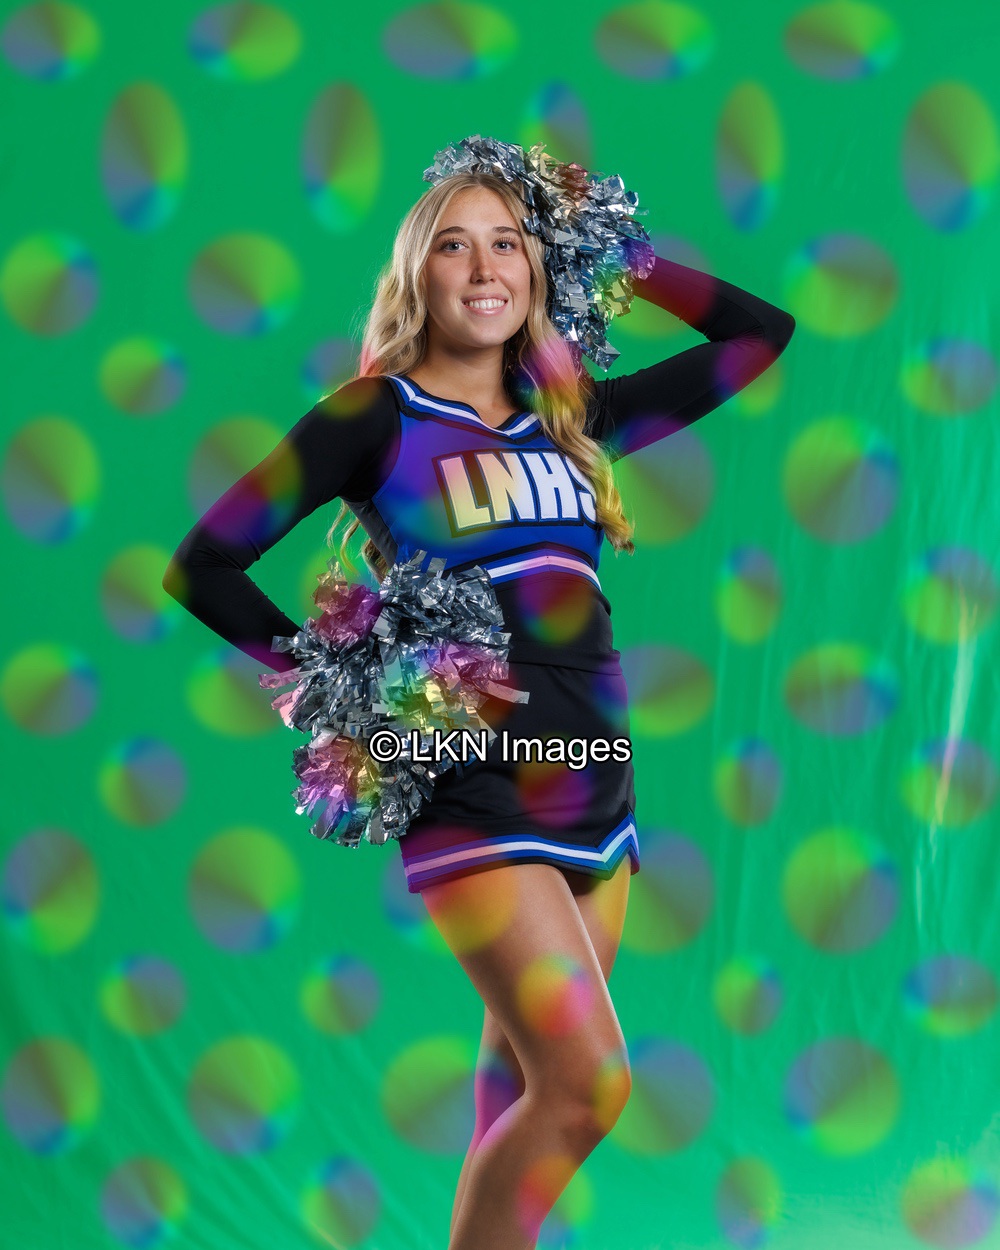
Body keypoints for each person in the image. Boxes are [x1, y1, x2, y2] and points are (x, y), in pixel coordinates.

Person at [163, 144, 795, 1249]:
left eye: (508, 242)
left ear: (540, 267)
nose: (485, 267)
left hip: (596, 776)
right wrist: (351, 686)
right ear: (419, 273)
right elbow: (202, 564)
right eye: (454, 245)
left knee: (521, 1096)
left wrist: (606, 241)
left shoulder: (572, 414)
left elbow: (757, 337)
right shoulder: (373, 415)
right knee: (586, 1083)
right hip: (472, 782)